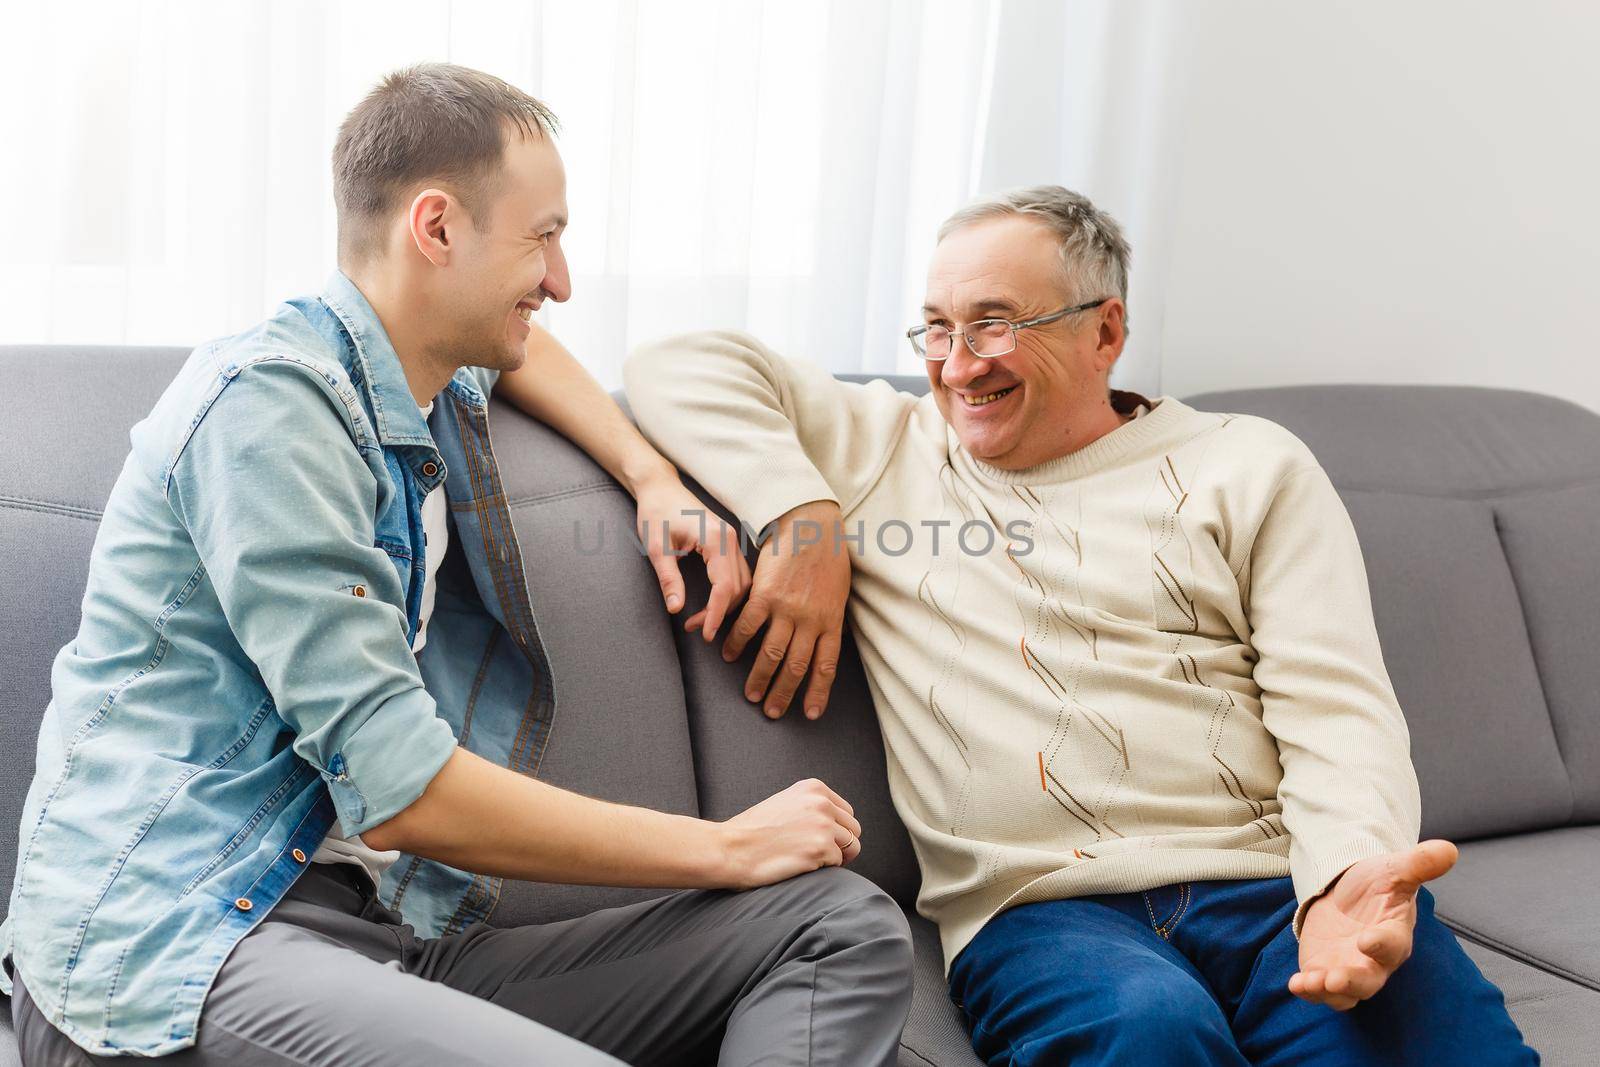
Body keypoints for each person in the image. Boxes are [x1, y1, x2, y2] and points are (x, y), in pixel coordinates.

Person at [2, 63, 912, 1066]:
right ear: (435, 229)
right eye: (543, 237)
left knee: (838, 921)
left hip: (379, 938)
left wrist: (651, 473)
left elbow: (524, 355)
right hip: (180, 944)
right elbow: (405, 788)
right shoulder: (269, 410)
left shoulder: (418, 364)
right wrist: (726, 844)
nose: (560, 281)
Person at [622, 185, 1538, 1064]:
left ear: (1106, 330)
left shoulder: (1251, 465)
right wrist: (804, 513)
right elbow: (674, 362)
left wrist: (1343, 878)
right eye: (937, 327)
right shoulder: (887, 451)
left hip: (1271, 883)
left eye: (995, 323)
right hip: (1038, 907)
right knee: (1147, 1031)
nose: (957, 362)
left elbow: (1335, 705)